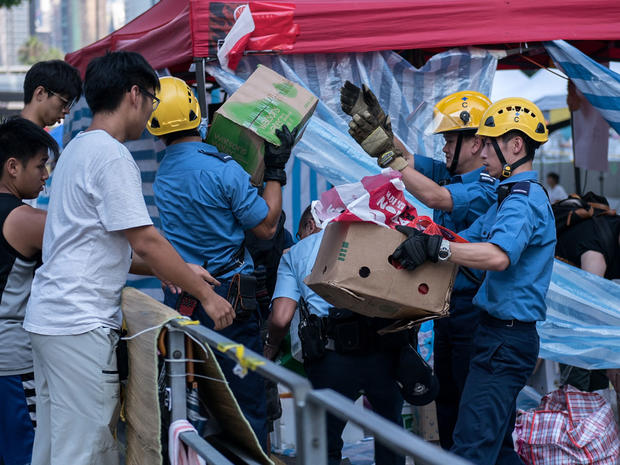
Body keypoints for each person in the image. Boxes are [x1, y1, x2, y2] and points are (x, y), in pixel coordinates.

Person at [24, 52, 234, 465]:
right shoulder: (111, 155)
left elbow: (102, 244)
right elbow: (145, 242)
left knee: (53, 448)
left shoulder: (78, 149)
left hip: (51, 321)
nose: (152, 114)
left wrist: (179, 269)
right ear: (134, 94)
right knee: (84, 451)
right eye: (154, 101)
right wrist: (205, 295)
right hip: (78, 324)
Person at [390, 97, 556, 464]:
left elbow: (496, 255)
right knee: (486, 446)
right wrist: (421, 237)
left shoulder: (523, 200)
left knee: (472, 447)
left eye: (491, 144)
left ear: (515, 146)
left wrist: (438, 250)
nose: (483, 156)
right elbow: (466, 241)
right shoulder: (505, 197)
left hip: (506, 339)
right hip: (494, 333)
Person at [342, 86, 497, 448]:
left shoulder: (489, 186)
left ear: (475, 143)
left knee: (472, 419)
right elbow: (408, 161)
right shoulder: (451, 171)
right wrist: (382, 131)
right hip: (449, 310)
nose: (442, 147)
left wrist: (388, 154)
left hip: (474, 312)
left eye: (449, 139)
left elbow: (434, 197)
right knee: (447, 404)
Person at [147, 76, 294, 449]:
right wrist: (276, 170)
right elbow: (266, 226)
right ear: (198, 115)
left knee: (196, 403)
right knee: (244, 409)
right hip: (229, 307)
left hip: (183, 304)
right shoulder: (223, 170)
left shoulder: (164, 174)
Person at [265, 206, 415, 465]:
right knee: (390, 436)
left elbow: (281, 317)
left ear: (311, 224)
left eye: (301, 233)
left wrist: (270, 347)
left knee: (326, 442)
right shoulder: (379, 236)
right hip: (384, 351)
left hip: (331, 356)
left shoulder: (298, 252)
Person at [0, 118, 58, 465]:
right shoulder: (25, 220)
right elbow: (90, 249)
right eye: (40, 165)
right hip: (11, 366)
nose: (45, 175)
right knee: (26, 456)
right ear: (12, 167)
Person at [21, 59, 82, 128]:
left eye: (69, 105)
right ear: (40, 93)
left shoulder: (10, 131)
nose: (67, 111)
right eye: (64, 102)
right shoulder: (16, 136)